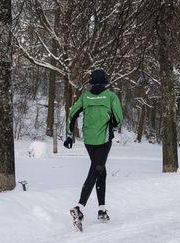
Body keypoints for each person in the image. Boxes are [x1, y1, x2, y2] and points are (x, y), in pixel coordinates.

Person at [63, 69, 123, 231]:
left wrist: (69, 135)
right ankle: (79, 208)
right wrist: (113, 126)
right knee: (96, 171)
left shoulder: (85, 96)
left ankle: (102, 210)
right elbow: (119, 117)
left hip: (88, 140)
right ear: (105, 81)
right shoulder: (111, 96)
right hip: (104, 140)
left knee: (101, 171)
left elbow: (72, 114)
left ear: (91, 82)